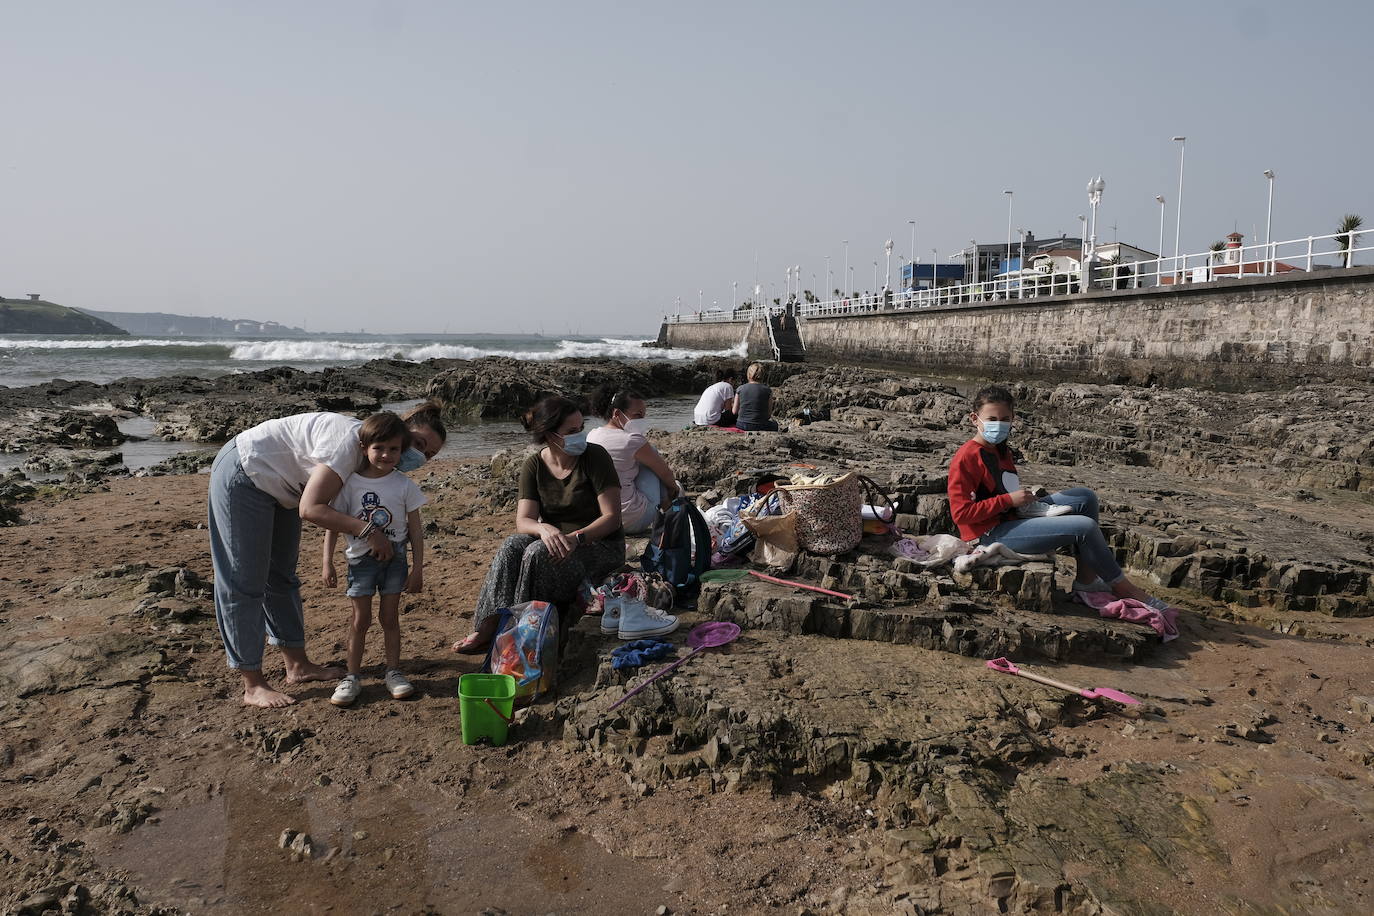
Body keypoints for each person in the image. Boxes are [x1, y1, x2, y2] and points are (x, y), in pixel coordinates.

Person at [208, 402, 446, 708]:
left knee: (280, 576)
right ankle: (252, 683)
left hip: (286, 489)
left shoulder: (373, 460)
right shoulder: (350, 445)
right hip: (246, 469)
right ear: (399, 427)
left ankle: (297, 665)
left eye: (428, 454)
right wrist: (369, 531)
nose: (418, 456)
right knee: (244, 580)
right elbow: (312, 509)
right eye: (418, 444)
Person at [946, 385, 1174, 610]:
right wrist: (1008, 501)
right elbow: (961, 513)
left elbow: (999, 489)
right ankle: (1123, 587)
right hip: (989, 533)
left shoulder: (1000, 449)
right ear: (975, 419)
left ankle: (1086, 581)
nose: (999, 424)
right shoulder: (967, 457)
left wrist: (1022, 500)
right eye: (992, 418)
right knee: (1084, 527)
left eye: (1005, 419)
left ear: (1013, 418)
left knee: (1085, 497)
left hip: (1012, 516)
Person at [452, 395, 647, 653]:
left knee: (537, 553)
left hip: (598, 547)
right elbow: (524, 521)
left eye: (581, 429)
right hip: (557, 542)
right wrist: (543, 528)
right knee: (512, 545)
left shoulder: (595, 457)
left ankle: (522, 631)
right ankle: (486, 627)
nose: (579, 436)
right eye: (571, 431)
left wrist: (575, 538)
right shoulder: (534, 465)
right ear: (549, 435)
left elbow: (611, 518)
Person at [320, 412, 427, 707]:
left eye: (394, 449)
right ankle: (352, 676)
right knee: (360, 620)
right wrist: (327, 561)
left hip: (396, 562)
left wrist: (417, 568)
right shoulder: (349, 484)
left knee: (390, 618)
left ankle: (393, 671)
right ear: (364, 447)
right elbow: (333, 523)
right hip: (360, 562)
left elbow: (416, 533)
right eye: (379, 447)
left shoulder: (405, 485)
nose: (386, 455)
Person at [586, 387, 679, 534]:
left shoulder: (592, 435)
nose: (641, 420)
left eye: (643, 416)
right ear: (617, 413)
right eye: (637, 415)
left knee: (637, 461)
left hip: (602, 520)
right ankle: (669, 510)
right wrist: (674, 488)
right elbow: (664, 472)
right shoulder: (631, 440)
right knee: (652, 459)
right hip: (633, 521)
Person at [731, 363, 779, 432]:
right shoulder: (768, 390)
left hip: (742, 424)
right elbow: (768, 415)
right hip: (760, 425)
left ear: (749, 375)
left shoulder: (740, 389)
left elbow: (734, 411)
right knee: (775, 425)